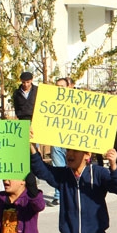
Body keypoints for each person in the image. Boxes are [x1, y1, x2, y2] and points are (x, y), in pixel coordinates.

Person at [48, 77, 72, 206]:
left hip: (71, 140)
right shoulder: (51, 101)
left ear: (68, 87)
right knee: (58, 168)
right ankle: (58, 195)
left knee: (72, 168)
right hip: (56, 139)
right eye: (57, 86)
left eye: (62, 86)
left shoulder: (76, 101)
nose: (59, 89)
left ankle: (71, 193)